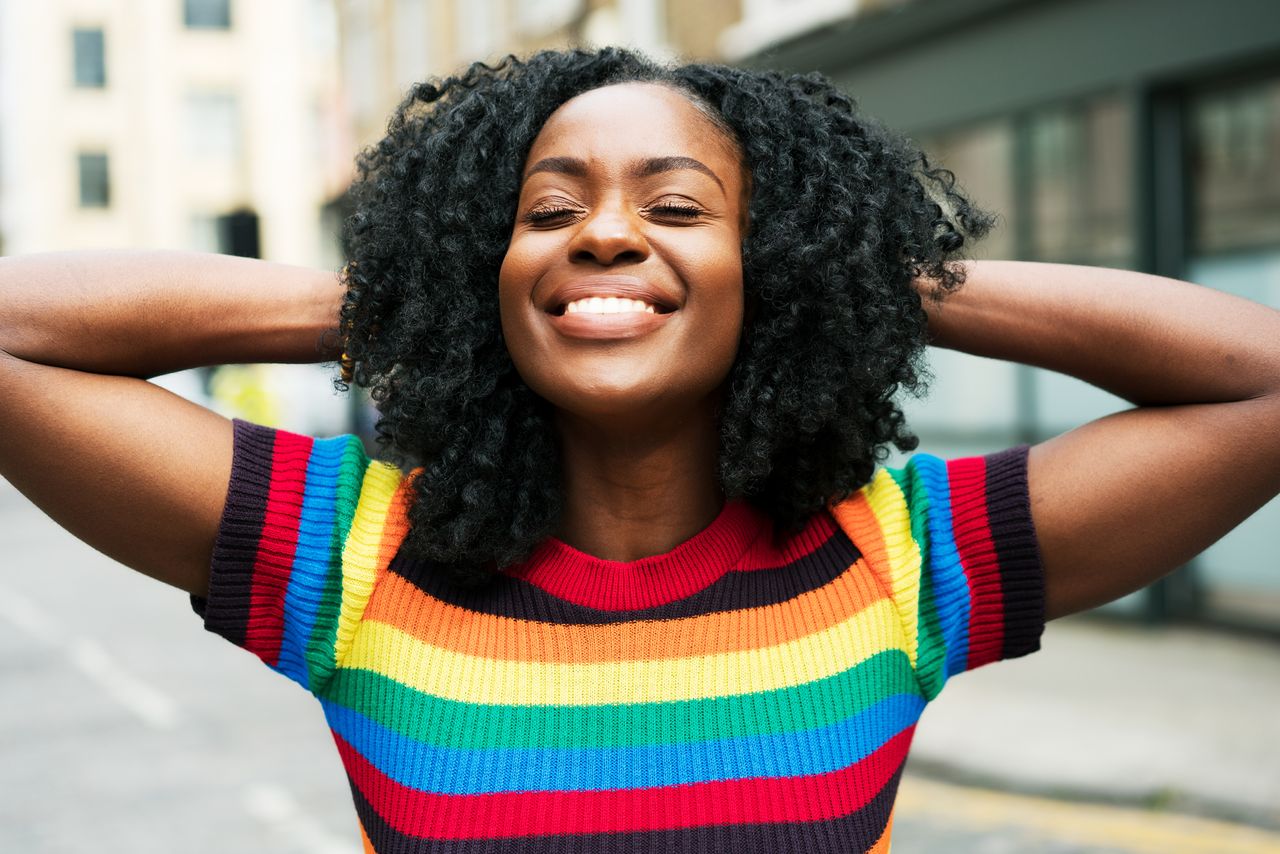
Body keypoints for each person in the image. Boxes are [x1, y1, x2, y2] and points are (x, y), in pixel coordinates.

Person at [1, 46, 1277, 853]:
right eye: (548, 212)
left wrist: (860, 277)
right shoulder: (348, 549)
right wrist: (412, 290)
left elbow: (1254, 382)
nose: (603, 235)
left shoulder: (901, 552)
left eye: (676, 207)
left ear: (764, 266)